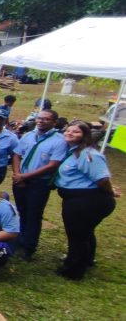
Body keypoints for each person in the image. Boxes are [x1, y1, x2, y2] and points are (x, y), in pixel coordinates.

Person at [54, 121, 119, 280]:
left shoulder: (88, 154)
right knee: (85, 233)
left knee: (77, 235)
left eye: (75, 132)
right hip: (77, 199)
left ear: (85, 135)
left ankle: (73, 270)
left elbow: (102, 179)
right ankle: (87, 260)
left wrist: (111, 192)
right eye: (68, 130)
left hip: (87, 201)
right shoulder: (73, 151)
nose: (70, 133)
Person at [11, 110, 67, 261]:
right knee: (21, 211)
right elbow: (17, 154)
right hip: (20, 180)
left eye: (46, 119)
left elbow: (53, 164)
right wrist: (17, 174)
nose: (41, 121)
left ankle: (29, 247)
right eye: (39, 118)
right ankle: (20, 240)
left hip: (39, 182)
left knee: (34, 214)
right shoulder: (29, 135)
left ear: (54, 122)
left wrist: (25, 176)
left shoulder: (59, 141)